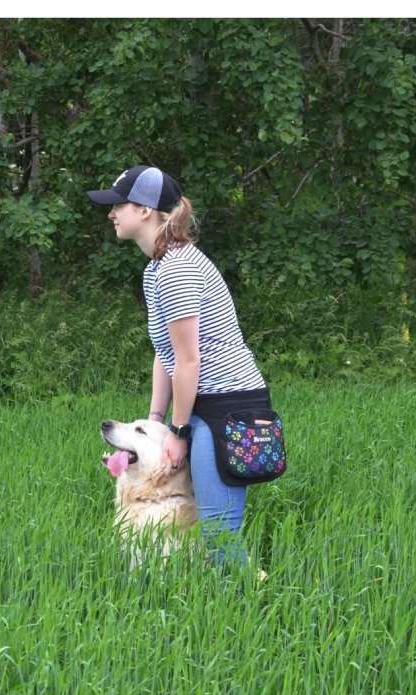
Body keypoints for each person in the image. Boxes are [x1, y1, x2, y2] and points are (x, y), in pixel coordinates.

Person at [88, 165, 270, 569]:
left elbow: (189, 361)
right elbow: (164, 352)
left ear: (146, 211)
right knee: (213, 532)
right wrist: (156, 422)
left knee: (219, 531)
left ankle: (252, 609)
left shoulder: (177, 269)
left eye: (119, 205)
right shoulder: (157, 267)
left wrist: (180, 430)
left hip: (228, 407)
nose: (111, 214)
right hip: (204, 402)